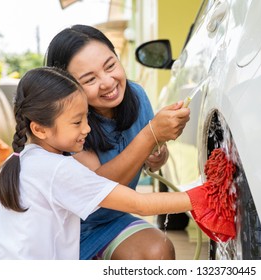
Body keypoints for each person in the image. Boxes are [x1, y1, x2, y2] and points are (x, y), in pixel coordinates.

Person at [0, 67, 196, 260]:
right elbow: (140, 204)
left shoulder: (17, 161)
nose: (87, 128)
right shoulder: (58, 169)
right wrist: (206, 196)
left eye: (87, 118)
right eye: (77, 122)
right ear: (39, 129)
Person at [45, 25, 190, 260]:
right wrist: (150, 134)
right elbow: (97, 190)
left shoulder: (137, 96)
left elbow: (150, 161)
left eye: (110, 65)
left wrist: (156, 155)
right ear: (67, 86)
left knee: (156, 251)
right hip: (66, 230)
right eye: (90, 79)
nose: (107, 82)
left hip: (112, 219)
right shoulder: (66, 123)